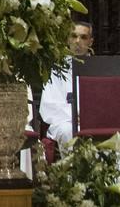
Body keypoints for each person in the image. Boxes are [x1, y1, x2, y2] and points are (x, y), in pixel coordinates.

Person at [39, 19, 93, 147]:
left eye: (83, 37)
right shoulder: (57, 69)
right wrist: (75, 115)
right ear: (68, 39)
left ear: (90, 42)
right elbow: (48, 106)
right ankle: (73, 167)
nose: (77, 41)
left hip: (94, 121)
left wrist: (88, 116)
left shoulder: (100, 69)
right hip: (65, 122)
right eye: (74, 36)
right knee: (68, 131)